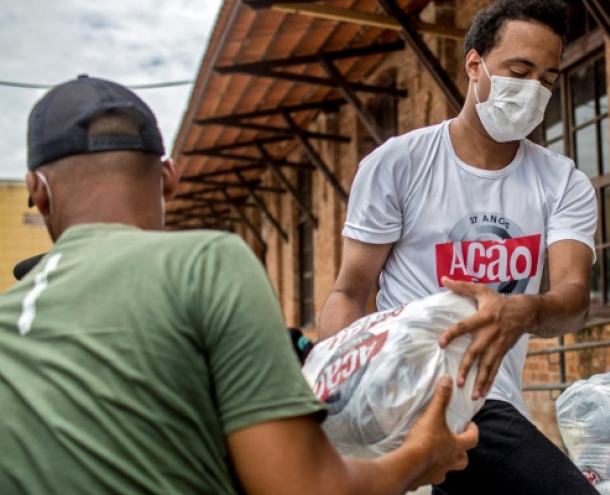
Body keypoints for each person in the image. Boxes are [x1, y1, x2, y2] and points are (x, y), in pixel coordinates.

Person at [0, 75, 477, 495]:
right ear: (168, 178)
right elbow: (307, 489)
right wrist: (419, 457)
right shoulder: (207, 263)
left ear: (37, 191)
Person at [319, 0, 600, 494]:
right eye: (519, 70)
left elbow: (574, 299)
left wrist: (522, 312)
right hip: (404, 392)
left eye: (548, 79)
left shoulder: (562, 183)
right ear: (475, 64)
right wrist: (344, 394)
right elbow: (348, 290)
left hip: (484, 404)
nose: (534, 89)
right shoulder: (398, 164)